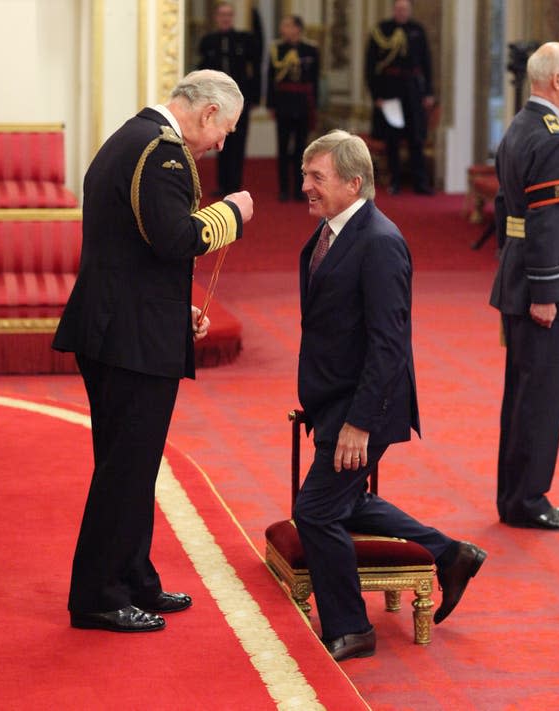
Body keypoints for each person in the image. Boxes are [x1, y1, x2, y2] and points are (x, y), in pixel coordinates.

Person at [52, 70, 254, 632]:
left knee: (134, 469)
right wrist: (234, 213)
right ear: (208, 112)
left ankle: (134, 577)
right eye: (226, 130)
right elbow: (175, 239)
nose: (221, 144)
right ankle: (98, 595)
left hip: (126, 325)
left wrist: (173, 309)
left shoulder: (134, 137)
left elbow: (134, 252)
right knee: (124, 471)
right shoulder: (161, 152)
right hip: (129, 341)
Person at [294, 129, 486, 661]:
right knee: (348, 501)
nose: (305, 185)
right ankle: (451, 555)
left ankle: (352, 627)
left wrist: (359, 423)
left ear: (354, 183)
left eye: (317, 177)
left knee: (314, 512)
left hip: (363, 407)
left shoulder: (379, 242)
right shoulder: (331, 232)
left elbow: (389, 343)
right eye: (306, 174)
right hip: (334, 401)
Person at [490, 42, 559, 530]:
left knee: (523, 393)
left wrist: (515, 270)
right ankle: (528, 501)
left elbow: (502, 207)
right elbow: (548, 221)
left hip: (519, 276)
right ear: (555, 81)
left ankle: (514, 496)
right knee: (542, 396)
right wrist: (547, 292)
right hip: (547, 283)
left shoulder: (520, 126)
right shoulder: (551, 138)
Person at [365, 0, 435, 195]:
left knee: (416, 138)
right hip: (390, 91)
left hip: (413, 91)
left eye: (405, 9)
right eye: (398, 8)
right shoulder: (381, 31)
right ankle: (394, 181)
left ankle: (420, 183)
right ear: (393, 10)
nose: (401, 12)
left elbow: (426, 63)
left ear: (410, 10)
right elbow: (370, 66)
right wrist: (376, 95)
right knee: (392, 138)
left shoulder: (417, 30)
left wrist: (428, 92)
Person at [197, 1, 261, 195]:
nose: (225, 19)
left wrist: (254, 98)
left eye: (228, 15)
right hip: (215, 102)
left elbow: (254, 70)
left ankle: (234, 184)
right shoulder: (208, 41)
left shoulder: (244, 40)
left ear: (232, 18)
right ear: (217, 18)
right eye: (221, 15)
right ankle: (222, 184)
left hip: (240, 101)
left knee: (238, 142)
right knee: (218, 141)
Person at [267, 14, 319, 202]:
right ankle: (283, 188)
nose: (284, 30)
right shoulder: (277, 50)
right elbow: (271, 78)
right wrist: (271, 104)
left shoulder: (311, 50)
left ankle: (299, 188)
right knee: (282, 147)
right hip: (283, 103)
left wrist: (315, 106)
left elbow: (315, 81)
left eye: (288, 26)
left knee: (301, 149)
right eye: (283, 26)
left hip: (303, 103)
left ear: (298, 28)